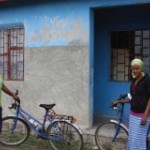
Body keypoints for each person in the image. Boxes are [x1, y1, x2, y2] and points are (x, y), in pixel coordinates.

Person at [111, 58, 150, 150]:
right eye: (133, 68)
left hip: (143, 115)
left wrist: (145, 115)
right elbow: (132, 99)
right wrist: (119, 101)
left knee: (138, 141)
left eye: (137, 68)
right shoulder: (133, 81)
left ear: (141, 68)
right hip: (133, 114)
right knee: (132, 139)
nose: (135, 70)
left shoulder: (147, 80)